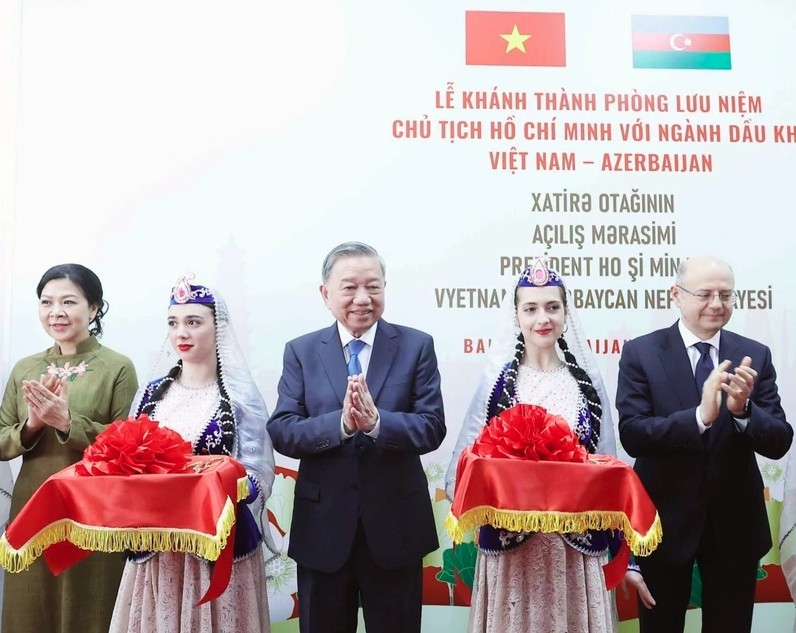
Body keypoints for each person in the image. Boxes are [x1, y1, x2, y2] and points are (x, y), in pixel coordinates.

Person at [445, 258, 653, 633]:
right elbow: (467, 464)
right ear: (516, 317)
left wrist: (628, 561)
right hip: (511, 550)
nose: (543, 318)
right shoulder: (498, 385)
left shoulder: (584, 385)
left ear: (565, 313)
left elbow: (609, 473)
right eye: (531, 308)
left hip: (575, 551)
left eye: (552, 307)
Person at [267, 241, 446, 633]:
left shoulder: (416, 346)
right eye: (349, 287)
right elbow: (282, 429)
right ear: (326, 293)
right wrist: (342, 425)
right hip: (323, 529)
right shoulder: (302, 351)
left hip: (396, 526)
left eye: (373, 286)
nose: (362, 299)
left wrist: (379, 423)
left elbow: (432, 426)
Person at [616, 254, 793, 633]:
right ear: (676, 295)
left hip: (735, 525)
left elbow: (779, 441)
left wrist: (744, 411)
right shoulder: (642, 353)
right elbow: (632, 434)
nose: (717, 304)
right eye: (705, 294)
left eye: (726, 295)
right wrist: (699, 418)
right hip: (664, 523)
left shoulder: (754, 354)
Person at [109, 273, 275, 633]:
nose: (181, 333)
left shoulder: (238, 397)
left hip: (217, 542)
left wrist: (218, 487)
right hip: (158, 545)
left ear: (218, 328)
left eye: (193, 322)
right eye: (173, 323)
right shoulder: (151, 394)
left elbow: (259, 474)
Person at [0, 263, 138, 633]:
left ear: (94, 308)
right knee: (31, 608)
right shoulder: (26, 368)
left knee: (89, 607)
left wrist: (67, 422)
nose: (56, 312)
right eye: (47, 302)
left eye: (68, 302)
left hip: (94, 511)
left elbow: (128, 445)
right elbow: (1, 440)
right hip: (33, 504)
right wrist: (32, 425)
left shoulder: (117, 368)